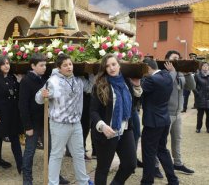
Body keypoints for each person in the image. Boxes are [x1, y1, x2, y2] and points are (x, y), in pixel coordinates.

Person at [36, 54, 94, 185]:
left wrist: (91, 72)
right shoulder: (52, 82)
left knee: (79, 154)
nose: (69, 67)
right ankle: (53, 183)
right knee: (57, 155)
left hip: (76, 124)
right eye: (65, 65)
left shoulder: (78, 81)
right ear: (59, 68)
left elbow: (90, 87)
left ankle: (83, 181)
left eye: (70, 64)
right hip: (59, 125)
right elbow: (38, 99)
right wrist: (42, 94)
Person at [90, 54, 142, 185]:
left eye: (113, 64)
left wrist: (136, 87)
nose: (111, 68)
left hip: (124, 129)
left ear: (119, 65)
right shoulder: (101, 85)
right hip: (106, 132)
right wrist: (102, 126)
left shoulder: (125, 82)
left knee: (130, 164)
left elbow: (131, 105)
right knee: (103, 168)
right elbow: (93, 111)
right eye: (107, 66)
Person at [140, 58, 179, 185]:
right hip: (164, 120)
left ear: (148, 68)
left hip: (152, 122)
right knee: (162, 150)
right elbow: (172, 73)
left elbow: (139, 89)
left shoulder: (151, 80)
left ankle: (147, 181)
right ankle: (173, 180)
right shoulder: (167, 75)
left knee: (148, 153)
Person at [0, 56, 23, 182]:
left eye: (8, 63)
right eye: (4, 64)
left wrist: (19, 82)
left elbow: (15, 94)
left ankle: (21, 166)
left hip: (11, 116)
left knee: (15, 141)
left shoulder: (12, 78)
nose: (7, 66)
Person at [161, 50, 195, 175]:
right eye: (174, 58)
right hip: (166, 113)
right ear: (167, 60)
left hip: (178, 113)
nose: (177, 61)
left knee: (177, 139)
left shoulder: (180, 74)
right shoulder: (163, 74)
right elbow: (167, 85)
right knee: (161, 141)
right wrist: (173, 72)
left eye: (178, 58)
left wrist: (187, 74)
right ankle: (154, 165)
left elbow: (191, 87)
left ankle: (178, 163)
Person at [19, 53, 48, 185]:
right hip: (33, 123)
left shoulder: (43, 79)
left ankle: (54, 175)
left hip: (44, 121)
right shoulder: (26, 81)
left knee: (51, 149)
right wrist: (28, 126)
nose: (44, 68)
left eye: (45, 65)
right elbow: (23, 105)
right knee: (30, 151)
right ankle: (27, 177)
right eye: (41, 65)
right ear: (33, 66)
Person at [193, 61, 209, 133]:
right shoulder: (197, 75)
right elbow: (193, 86)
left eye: (207, 66)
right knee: (200, 115)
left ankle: (208, 128)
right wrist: (197, 94)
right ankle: (198, 127)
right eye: (204, 66)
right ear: (201, 67)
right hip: (200, 98)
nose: (205, 67)